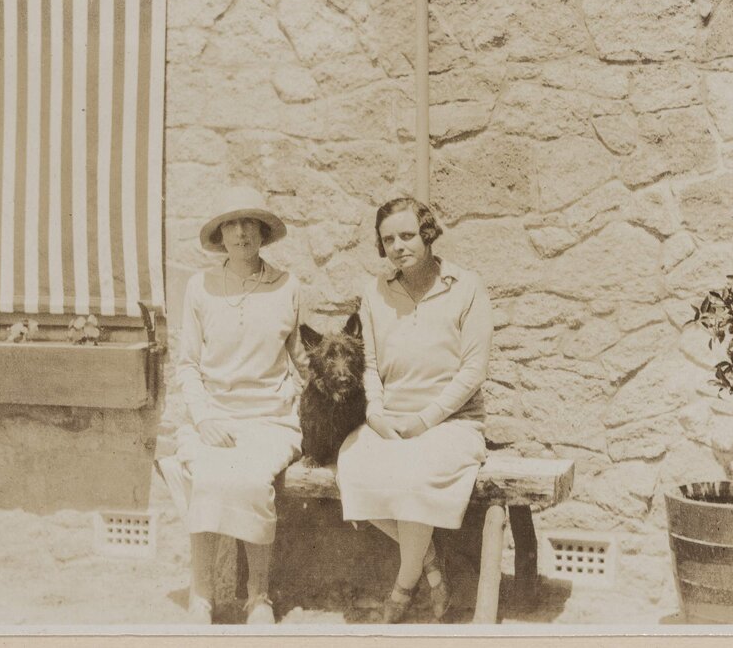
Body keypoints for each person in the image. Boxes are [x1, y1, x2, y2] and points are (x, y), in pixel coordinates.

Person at [336, 196, 493, 623]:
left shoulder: (466, 286)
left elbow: (473, 370)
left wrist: (425, 420)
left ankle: (404, 589)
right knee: (351, 471)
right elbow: (369, 366)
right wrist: (375, 415)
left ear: (426, 234)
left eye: (407, 235)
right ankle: (431, 566)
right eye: (388, 239)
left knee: (412, 481)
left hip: (451, 423)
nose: (399, 246)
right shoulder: (375, 293)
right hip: (391, 420)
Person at [156, 185, 307, 625]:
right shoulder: (201, 288)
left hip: (270, 419)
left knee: (251, 482)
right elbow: (187, 365)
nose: (241, 233)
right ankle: (201, 596)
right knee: (206, 476)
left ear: (263, 233)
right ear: (220, 235)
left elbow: (301, 359)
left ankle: (257, 597)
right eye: (231, 224)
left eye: (249, 224)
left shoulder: (287, 286)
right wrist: (203, 418)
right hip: (214, 417)